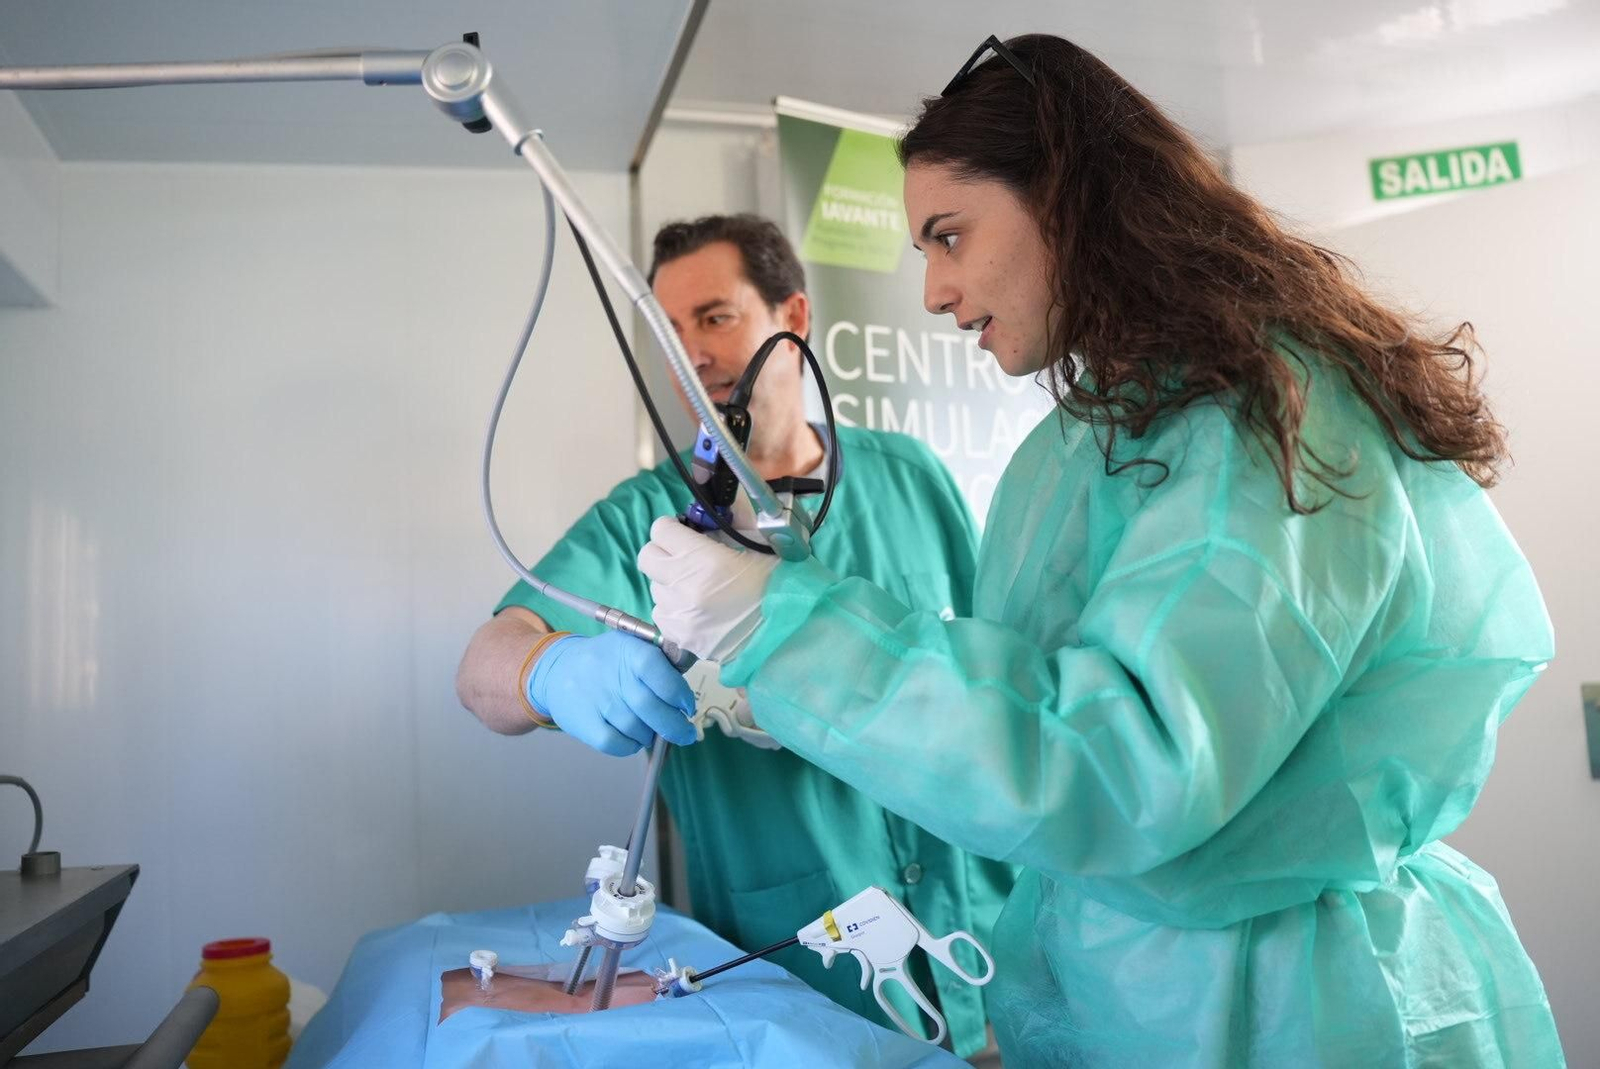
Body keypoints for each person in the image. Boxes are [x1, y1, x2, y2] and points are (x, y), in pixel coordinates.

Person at [640, 34, 1564, 1068]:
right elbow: (1036, 700)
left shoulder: (1254, 425)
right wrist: (791, 696)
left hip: (1286, 1004)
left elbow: (1121, 760)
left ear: (1068, 197)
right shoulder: (1087, 444)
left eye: (949, 237)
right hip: (1129, 985)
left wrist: (791, 628)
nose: (935, 294)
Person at [456, 213, 1014, 1058]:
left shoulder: (912, 480)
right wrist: (553, 670)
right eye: (670, 332)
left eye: (715, 318)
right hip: (797, 989)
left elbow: (999, 681)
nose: (693, 354)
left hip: (987, 947)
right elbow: (481, 669)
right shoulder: (640, 522)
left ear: (792, 318)